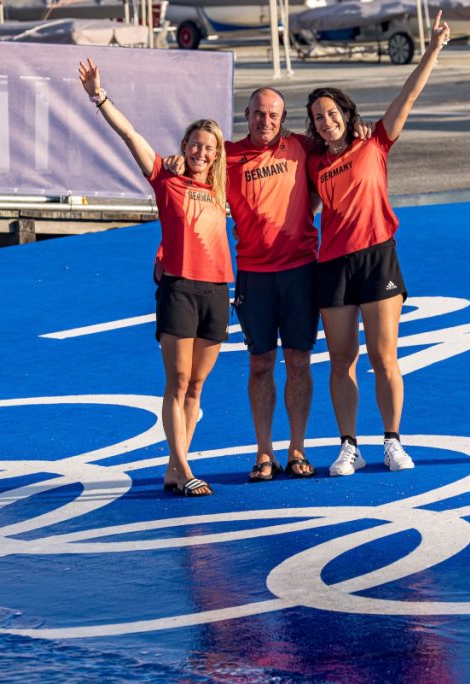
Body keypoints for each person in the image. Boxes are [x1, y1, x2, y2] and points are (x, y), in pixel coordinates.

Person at [166, 88, 370, 483]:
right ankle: (264, 452)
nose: (266, 121)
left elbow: (337, 141)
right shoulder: (227, 156)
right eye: (258, 114)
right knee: (260, 364)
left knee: (298, 361)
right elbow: (195, 167)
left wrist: (358, 130)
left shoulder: (301, 146)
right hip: (254, 275)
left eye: (273, 115)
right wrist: (177, 163)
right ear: (246, 114)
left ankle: (297, 449)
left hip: (299, 272)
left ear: (284, 118)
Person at [77, 58, 233, 497]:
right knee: (177, 382)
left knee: (198, 385)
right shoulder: (166, 178)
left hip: (218, 289)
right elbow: (129, 134)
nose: (201, 152)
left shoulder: (221, 190)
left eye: (209, 147)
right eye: (196, 144)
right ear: (184, 144)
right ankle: (183, 468)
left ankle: (171, 466)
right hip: (179, 289)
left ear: (217, 154)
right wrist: (99, 96)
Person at [305, 11, 451, 477]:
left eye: (331, 114)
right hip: (333, 265)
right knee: (341, 359)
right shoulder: (311, 163)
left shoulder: (376, 143)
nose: (326, 123)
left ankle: (392, 441)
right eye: (317, 119)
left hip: (377, 257)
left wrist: (432, 49)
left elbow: (407, 96)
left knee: (384, 356)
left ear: (346, 114)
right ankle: (349, 445)